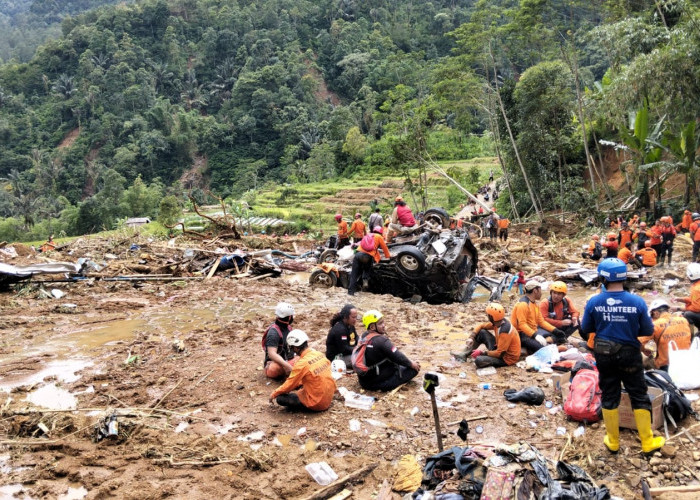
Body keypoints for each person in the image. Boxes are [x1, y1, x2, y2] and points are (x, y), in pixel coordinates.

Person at [581, 258, 664, 454]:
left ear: (603, 278)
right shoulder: (637, 301)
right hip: (630, 354)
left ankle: (613, 441)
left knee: (610, 394)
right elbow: (646, 329)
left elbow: (586, 329)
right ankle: (647, 442)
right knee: (638, 393)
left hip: (604, 354)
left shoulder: (594, 302)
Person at [269, 330, 336, 411]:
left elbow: (289, 384)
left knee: (280, 399)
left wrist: (274, 394)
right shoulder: (319, 354)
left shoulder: (301, 363)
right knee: (302, 383)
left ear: (296, 348)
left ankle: (306, 405)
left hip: (317, 403)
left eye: (292, 347)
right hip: (328, 397)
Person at [354, 310, 420, 391]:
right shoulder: (381, 340)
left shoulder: (363, 336)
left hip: (363, 382)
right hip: (377, 384)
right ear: (372, 327)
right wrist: (411, 364)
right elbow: (397, 356)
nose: (384, 325)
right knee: (414, 369)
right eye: (380, 323)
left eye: (383, 322)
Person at [453, 303, 521, 368]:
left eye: (488, 315)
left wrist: (482, 353)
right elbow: (481, 326)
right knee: (481, 332)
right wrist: (471, 337)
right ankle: (464, 354)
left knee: (479, 360)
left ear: (492, 317)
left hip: (506, 358)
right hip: (499, 349)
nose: (487, 316)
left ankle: (474, 355)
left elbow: (499, 354)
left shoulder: (505, 331)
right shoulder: (498, 322)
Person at [511, 281, 567, 353]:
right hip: (522, 335)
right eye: (540, 290)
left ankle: (543, 343)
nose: (541, 293)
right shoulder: (523, 304)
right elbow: (522, 325)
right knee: (544, 350)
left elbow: (541, 322)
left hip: (533, 331)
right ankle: (528, 348)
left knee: (556, 336)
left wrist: (555, 330)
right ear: (535, 291)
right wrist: (535, 336)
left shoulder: (534, 304)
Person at [639, 300, 692, 371]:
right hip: (686, 361)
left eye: (652, 315)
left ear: (655, 312)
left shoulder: (655, 325)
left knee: (641, 357)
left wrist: (646, 350)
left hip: (665, 365)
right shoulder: (684, 320)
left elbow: (639, 343)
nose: (652, 319)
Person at [348, 226, 391, 296]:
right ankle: (365, 280)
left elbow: (360, 244)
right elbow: (384, 247)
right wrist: (388, 256)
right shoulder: (379, 237)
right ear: (380, 232)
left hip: (358, 254)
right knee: (367, 268)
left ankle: (351, 292)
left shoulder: (368, 235)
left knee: (354, 274)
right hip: (367, 257)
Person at [263, 302, 297, 379]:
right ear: (289, 317)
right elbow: (272, 354)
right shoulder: (273, 332)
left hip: (288, 358)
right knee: (274, 369)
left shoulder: (288, 327)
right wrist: (287, 365)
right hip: (277, 363)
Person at [673, 262, 700, 332]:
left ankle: (690, 339)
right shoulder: (697, 285)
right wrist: (681, 299)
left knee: (688, 314)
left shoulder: (696, 288)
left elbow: (696, 308)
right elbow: (694, 299)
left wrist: (679, 308)